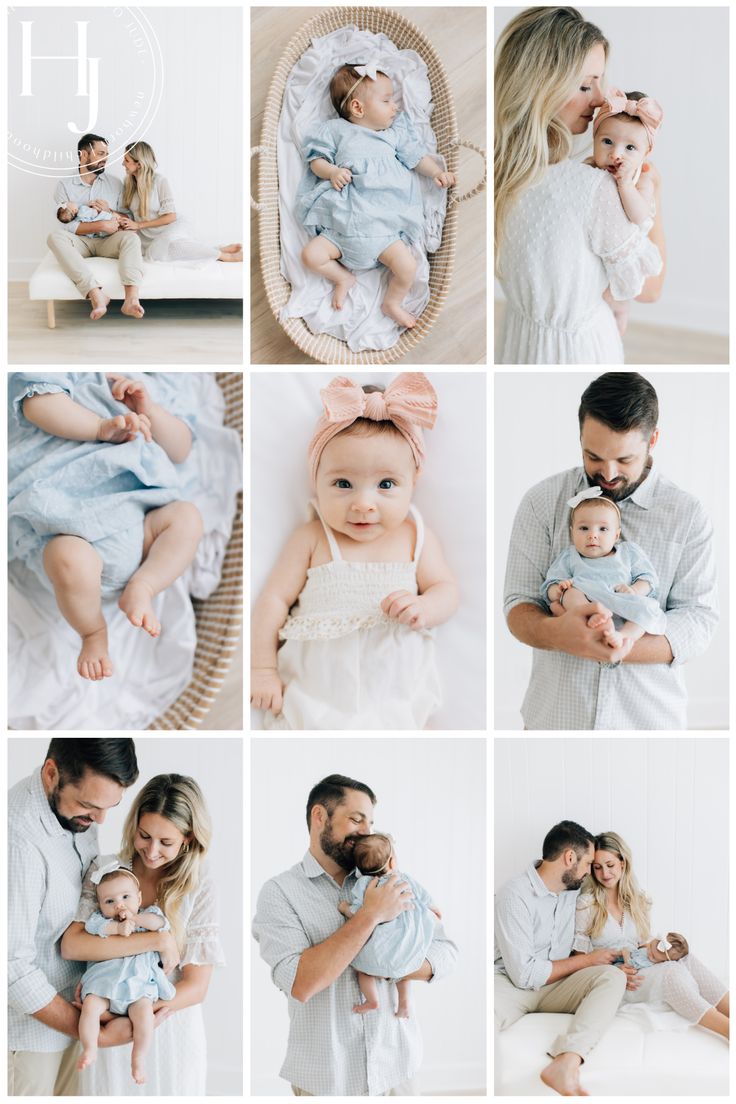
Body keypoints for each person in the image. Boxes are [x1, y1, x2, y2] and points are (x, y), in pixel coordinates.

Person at [503, 372, 718, 729]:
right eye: (593, 456)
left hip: (648, 721)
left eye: (625, 460)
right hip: (554, 719)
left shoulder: (687, 515)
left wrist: (620, 646)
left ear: (654, 441)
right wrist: (560, 633)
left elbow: (699, 620)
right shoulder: (542, 502)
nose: (608, 473)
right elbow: (518, 603)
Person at [250, 373, 458, 730]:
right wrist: (262, 669)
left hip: (394, 690)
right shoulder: (312, 537)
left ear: (414, 482)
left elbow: (446, 589)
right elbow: (272, 601)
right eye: (343, 484)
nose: (364, 504)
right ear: (315, 480)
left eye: (386, 484)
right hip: (316, 690)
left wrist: (425, 606)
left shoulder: (415, 535)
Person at [252, 774, 458, 1095]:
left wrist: (395, 961)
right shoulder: (279, 893)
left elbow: (446, 951)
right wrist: (371, 915)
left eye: (371, 823)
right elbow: (300, 984)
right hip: (328, 1080)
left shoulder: (389, 879)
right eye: (356, 819)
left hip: (397, 1071)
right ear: (319, 816)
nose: (365, 832)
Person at [494, 7, 665, 364]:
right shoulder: (591, 188)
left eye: (600, 82)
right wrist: (654, 192)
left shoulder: (499, 174)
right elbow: (649, 288)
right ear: (540, 87)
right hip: (579, 352)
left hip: (518, 343)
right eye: (586, 85)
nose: (602, 99)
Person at [8, 372, 204, 681]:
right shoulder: (62, 367)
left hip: (142, 519)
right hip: (69, 518)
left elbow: (182, 448)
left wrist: (149, 410)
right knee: (66, 557)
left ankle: (144, 586)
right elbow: (37, 404)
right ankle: (93, 632)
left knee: (187, 518)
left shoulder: (164, 379)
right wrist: (99, 428)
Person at [61, 773, 224, 1096]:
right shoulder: (106, 870)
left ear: (188, 838)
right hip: (107, 1021)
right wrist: (156, 940)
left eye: (166, 843)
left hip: (166, 1026)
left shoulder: (198, 885)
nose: (151, 852)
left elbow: (196, 985)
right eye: (144, 836)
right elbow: (73, 944)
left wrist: (134, 1013)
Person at [8, 738, 144, 1097]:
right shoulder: (17, 837)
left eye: (109, 807)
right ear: (52, 774)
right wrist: (95, 1031)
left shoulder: (82, 816)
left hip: (76, 1020)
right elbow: (11, 967)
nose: (100, 819)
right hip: (30, 1037)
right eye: (89, 805)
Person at [298, 65, 455, 328]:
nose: (394, 107)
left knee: (407, 267)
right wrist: (332, 172)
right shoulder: (335, 130)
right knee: (310, 256)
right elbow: (316, 161)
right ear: (358, 108)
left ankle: (392, 303)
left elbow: (416, 158)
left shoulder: (394, 134)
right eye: (386, 100)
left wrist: (436, 172)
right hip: (343, 225)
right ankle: (342, 278)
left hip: (384, 229)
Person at [494, 820, 627, 1097]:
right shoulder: (514, 894)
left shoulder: (574, 891)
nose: (591, 872)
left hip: (558, 983)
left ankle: (567, 1061)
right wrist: (588, 960)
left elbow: (612, 893)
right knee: (484, 1017)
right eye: (589, 863)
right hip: (511, 983)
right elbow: (524, 975)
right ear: (569, 858)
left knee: (612, 978)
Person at [575, 833, 729, 1040]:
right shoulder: (586, 905)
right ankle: (729, 1031)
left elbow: (643, 948)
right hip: (618, 981)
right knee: (670, 974)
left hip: (641, 967)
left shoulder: (639, 901)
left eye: (610, 865)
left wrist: (666, 952)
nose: (605, 873)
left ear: (622, 862)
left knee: (684, 958)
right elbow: (578, 959)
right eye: (597, 867)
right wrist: (613, 971)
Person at [76, 863, 175, 1084]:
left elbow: (160, 924)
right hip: (104, 986)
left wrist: (135, 920)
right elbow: (94, 928)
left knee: (144, 1017)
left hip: (138, 988)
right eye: (109, 901)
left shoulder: (148, 917)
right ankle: (90, 1048)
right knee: (90, 1006)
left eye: (125, 897)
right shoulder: (102, 921)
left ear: (139, 899)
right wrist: (118, 929)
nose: (119, 905)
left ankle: (138, 1058)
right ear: (100, 905)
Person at [542, 487, 667, 649]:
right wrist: (559, 589)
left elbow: (649, 579)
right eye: (584, 528)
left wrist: (635, 590)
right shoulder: (570, 556)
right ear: (572, 533)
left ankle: (623, 636)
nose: (592, 535)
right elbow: (550, 585)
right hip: (588, 601)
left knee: (648, 609)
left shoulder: (628, 552)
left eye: (603, 529)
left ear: (616, 535)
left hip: (622, 601)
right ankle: (592, 617)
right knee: (570, 594)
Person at [584, 88, 664, 338]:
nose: (616, 154)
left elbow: (639, 216)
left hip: (625, 256)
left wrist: (625, 185)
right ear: (595, 139)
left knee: (616, 304)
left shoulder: (642, 179)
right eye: (607, 142)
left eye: (630, 148)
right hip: (596, 254)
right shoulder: (589, 169)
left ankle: (616, 322)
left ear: (645, 153)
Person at [337, 833, 440, 1019]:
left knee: (361, 969)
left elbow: (357, 912)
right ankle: (404, 1003)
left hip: (379, 949)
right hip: (406, 943)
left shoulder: (365, 885)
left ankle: (372, 1000)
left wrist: (345, 909)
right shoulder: (404, 879)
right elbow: (423, 896)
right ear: (392, 863)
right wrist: (434, 908)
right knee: (403, 971)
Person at [47, 133, 145, 321]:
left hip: (109, 241)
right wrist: (100, 224)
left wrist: (111, 214)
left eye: (106, 154)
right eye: (100, 153)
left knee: (131, 238)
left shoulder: (115, 183)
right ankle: (95, 294)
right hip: (82, 242)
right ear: (83, 154)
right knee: (54, 237)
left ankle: (131, 299)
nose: (105, 158)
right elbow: (67, 224)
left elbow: (129, 219)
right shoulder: (64, 185)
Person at [118, 141, 242, 263]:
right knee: (156, 253)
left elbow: (171, 217)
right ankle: (215, 249)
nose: (123, 163)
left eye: (127, 160)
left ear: (139, 164)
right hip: (146, 237)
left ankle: (224, 256)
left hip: (170, 227)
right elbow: (127, 213)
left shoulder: (159, 181)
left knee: (172, 245)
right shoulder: (128, 184)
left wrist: (139, 225)